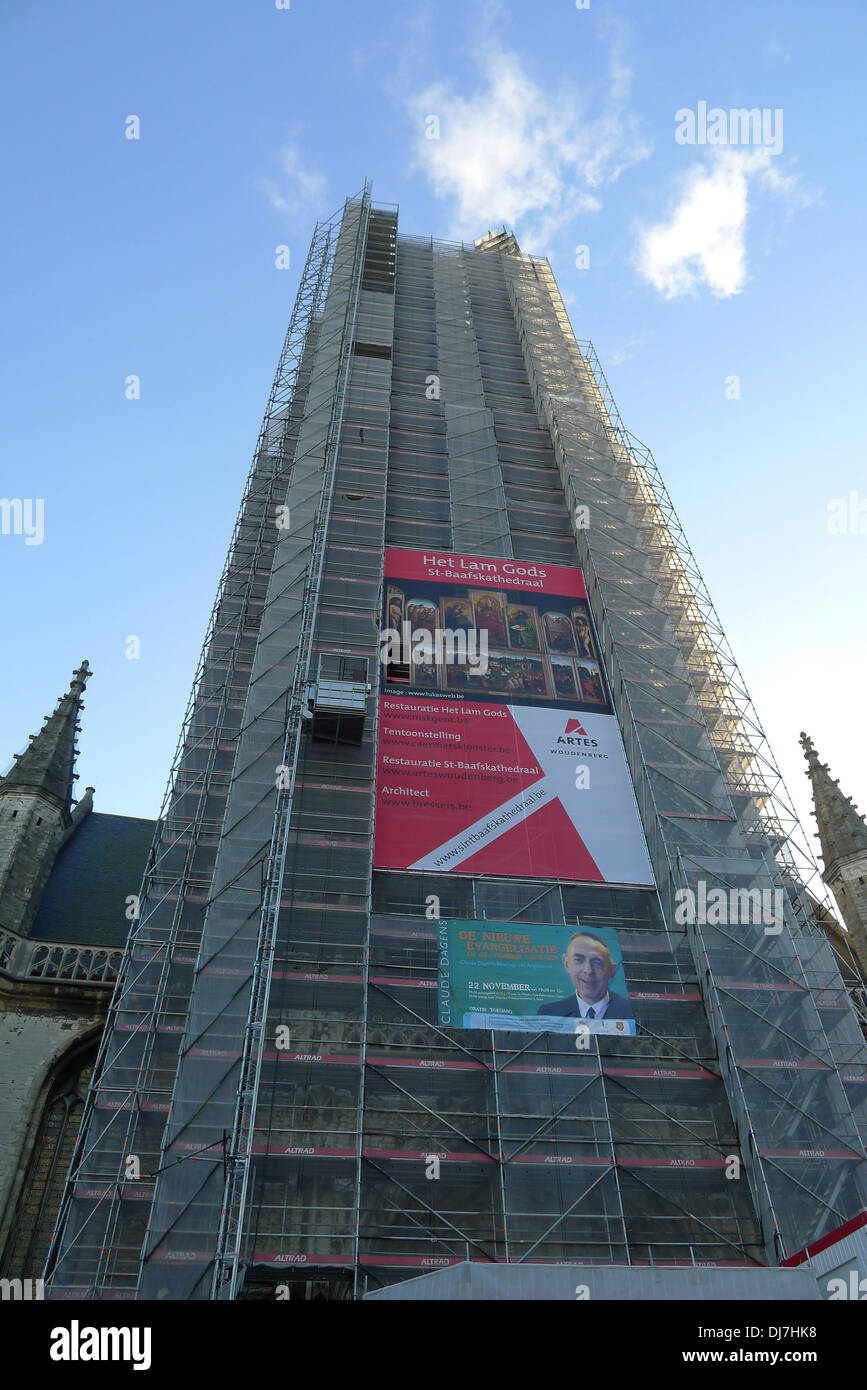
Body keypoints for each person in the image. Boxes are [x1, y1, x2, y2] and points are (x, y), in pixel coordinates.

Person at [537, 931, 634, 1019]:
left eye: (597, 962)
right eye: (579, 960)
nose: (588, 970)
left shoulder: (630, 1012)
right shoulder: (548, 1013)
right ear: (566, 964)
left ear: (611, 970)